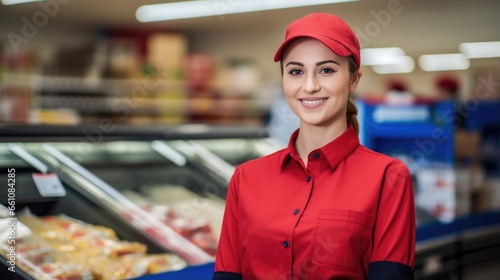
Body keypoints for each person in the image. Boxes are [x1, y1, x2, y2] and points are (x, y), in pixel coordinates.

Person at [213, 13, 415, 280]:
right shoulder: (246, 178)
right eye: (296, 71)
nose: (309, 86)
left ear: (354, 79)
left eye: (327, 70)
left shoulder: (388, 177)